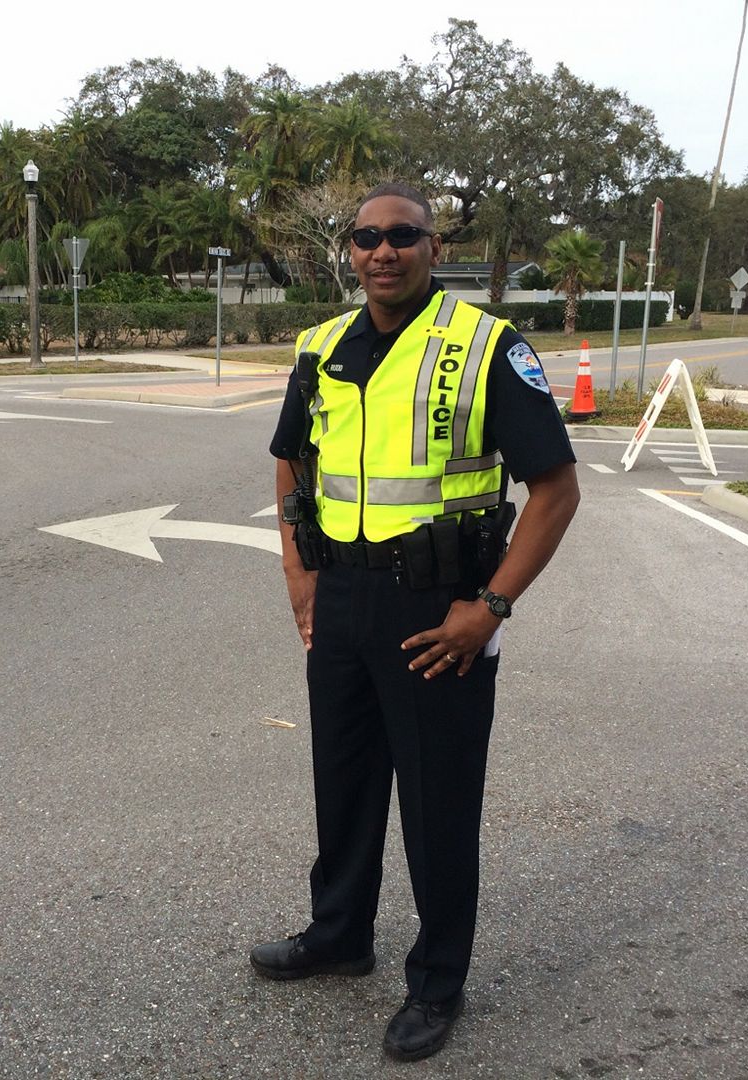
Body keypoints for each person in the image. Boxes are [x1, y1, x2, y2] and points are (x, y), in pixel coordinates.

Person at [253, 182, 581, 1062]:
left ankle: (437, 981)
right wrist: (297, 572)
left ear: (436, 248)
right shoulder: (321, 346)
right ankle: (339, 936)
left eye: (403, 236)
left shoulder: (484, 347)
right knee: (345, 782)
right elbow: (291, 461)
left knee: (438, 804)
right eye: (367, 238)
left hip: (442, 610)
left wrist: (492, 608)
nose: (383, 252)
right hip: (343, 596)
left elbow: (556, 489)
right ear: (350, 251)